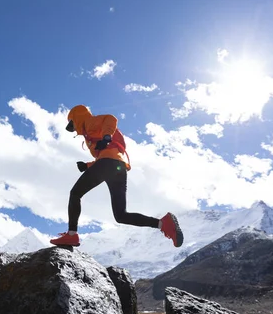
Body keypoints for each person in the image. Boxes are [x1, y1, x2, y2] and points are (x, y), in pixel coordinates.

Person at [49, 104, 184, 248]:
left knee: (75, 193)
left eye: (72, 124)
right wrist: (87, 166)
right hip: (117, 167)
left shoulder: (90, 122)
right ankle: (163, 224)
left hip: (108, 164)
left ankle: (72, 235)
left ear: (77, 118)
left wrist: (107, 136)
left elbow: (111, 119)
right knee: (121, 215)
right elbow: (106, 154)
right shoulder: (89, 134)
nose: (74, 129)